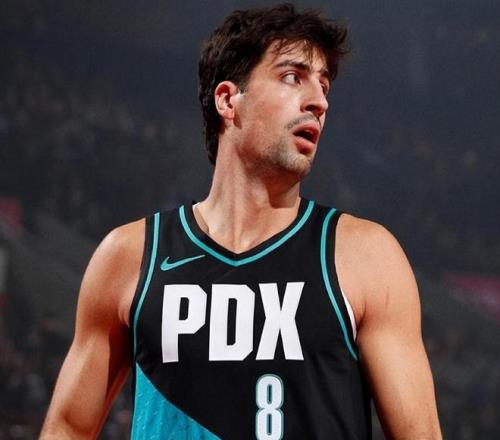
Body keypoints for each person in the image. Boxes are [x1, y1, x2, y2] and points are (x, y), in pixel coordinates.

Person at [41, 4, 442, 439]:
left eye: (323, 85)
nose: (319, 101)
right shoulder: (130, 255)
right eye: (293, 77)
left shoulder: (365, 255)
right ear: (228, 100)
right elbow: (68, 428)